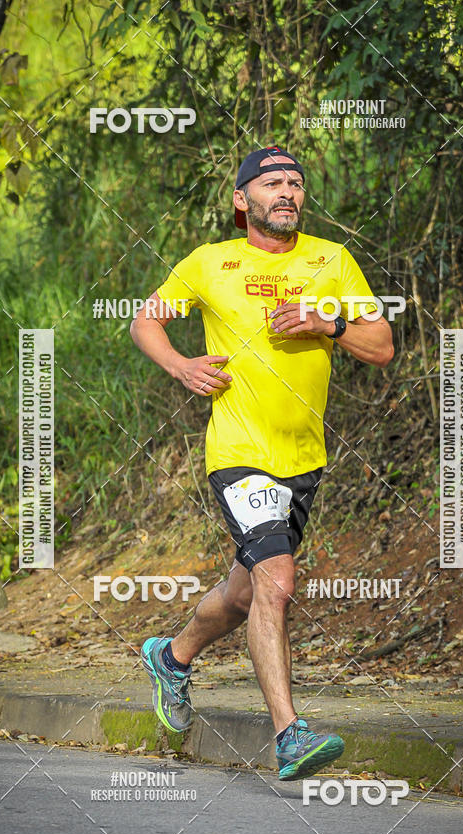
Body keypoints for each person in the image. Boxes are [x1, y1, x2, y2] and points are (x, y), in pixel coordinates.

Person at [130, 146, 394, 780]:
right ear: (241, 199)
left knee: (246, 593)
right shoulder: (209, 262)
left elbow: (382, 346)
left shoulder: (331, 261)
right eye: (272, 182)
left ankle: (173, 656)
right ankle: (289, 735)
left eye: (296, 183)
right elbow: (146, 321)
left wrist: (326, 324)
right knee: (277, 580)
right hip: (239, 451)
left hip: (304, 458)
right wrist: (181, 365)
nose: (286, 192)